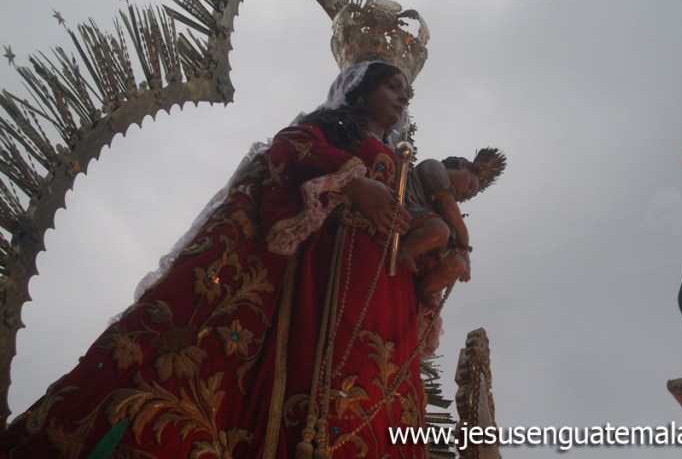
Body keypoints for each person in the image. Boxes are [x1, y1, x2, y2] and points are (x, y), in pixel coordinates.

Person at [0, 61, 429, 459]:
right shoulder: (332, 133)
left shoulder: (398, 159)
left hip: (384, 287)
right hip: (326, 276)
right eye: (392, 86)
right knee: (319, 386)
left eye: (406, 92)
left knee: (380, 390)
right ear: (359, 91)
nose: (402, 98)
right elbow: (289, 148)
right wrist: (353, 182)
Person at [400, 150, 506, 307]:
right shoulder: (434, 167)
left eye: (466, 197)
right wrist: (463, 237)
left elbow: (457, 237)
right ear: (462, 165)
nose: (465, 193)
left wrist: (466, 263)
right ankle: (404, 251)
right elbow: (451, 212)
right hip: (409, 212)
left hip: (428, 227)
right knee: (440, 230)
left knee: (456, 264)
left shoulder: (445, 214)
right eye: (470, 185)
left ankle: (423, 290)